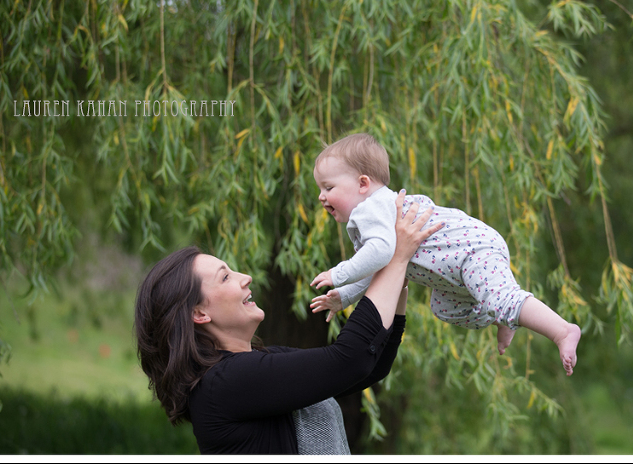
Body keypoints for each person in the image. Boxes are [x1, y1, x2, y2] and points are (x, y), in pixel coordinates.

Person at [134, 192, 443, 454]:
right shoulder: (224, 384)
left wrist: (395, 273)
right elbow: (348, 360)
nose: (246, 278)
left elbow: (368, 368)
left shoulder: (261, 362)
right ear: (199, 314)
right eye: (226, 277)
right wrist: (395, 256)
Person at [310, 133, 582, 376]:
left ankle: (561, 330)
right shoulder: (376, 214)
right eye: (320, 189)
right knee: (444, 308)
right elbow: (378, 270)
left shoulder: (370, 209)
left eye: (329, 188)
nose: (322, 197)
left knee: (501, 298)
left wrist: (338, 274)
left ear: (362, 183)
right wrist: (344, 297)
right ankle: (504, 313)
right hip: (455, 269)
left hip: (471, 251)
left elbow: (379, 253)